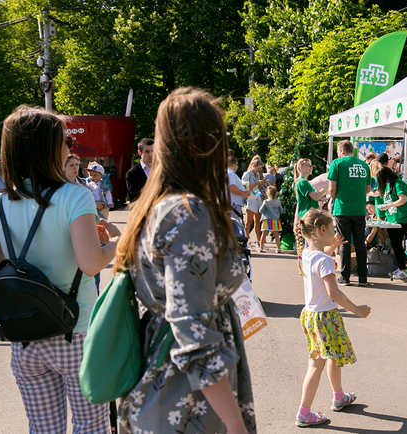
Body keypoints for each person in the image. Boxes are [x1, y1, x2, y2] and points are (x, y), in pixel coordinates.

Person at [113, 88, 256, 434]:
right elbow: (193, 333)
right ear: (207, 143)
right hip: (187, 400)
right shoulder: (188, 214)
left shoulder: (157, 204)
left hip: (161, 377)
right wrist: (235, 423)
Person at [0, 105, 120, 432]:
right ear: (47, 146)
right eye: (66, 140)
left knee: (43, 429)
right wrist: (120, 244)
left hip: (25, 337)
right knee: (92, 427)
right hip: (76, 330)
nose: (70, 147)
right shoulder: (75, 197)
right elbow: (90, 263)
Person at [294, 209, 371, 427]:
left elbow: (322, 255)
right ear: (322, 230)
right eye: (332, 229)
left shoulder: (307, 254)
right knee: (316, 365)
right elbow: (334, 293)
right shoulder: (324, 261)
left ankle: (339, 396)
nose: (335, 233)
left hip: (311, 315)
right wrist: (356, 309)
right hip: (325, 317)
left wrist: (333, 246)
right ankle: (304, 413)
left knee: (334, 357)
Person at [328, 140, 372, 286]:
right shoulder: (365, 165)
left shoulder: (337, 163)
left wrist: (335, 200)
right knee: (360, 242)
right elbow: (367, 189)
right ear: (351, 150)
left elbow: (331, 189)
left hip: (342, 208)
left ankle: (345, 277)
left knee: (344, 242)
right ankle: (363, 278)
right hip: (359, 209)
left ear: (341, 151)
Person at [377, 161, 407, 279]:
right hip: (393, 219)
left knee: (396, 244)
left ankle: (403, 269)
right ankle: (402, 267)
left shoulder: (398, 183)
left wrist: (389, 206)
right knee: (395, 244)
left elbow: (403, 199)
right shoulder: (388, 186)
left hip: (402, 218)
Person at [242, 155, 269, 247]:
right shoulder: (247, 174)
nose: (259, 170)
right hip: (250, 197)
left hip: (257, 195)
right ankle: (245, 241)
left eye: (261, 168)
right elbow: (246, 188)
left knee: (258, 220)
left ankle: (258, 242)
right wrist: (257, 183)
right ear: (253, 165)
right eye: (258, 168)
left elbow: (257, 188)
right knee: (249, 221)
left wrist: (261, 183)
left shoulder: (257, 174)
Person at [125, 137, 153, 202]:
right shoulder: (132, 173)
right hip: (142, 210)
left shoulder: (162, 170)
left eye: (152, 151)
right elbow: (133, 197)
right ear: (139, 153)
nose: (151, 154)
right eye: (147, 151)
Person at [259, 185, 283, 253]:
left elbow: (261, 210)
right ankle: (278, 248)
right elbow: (281, 210)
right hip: (275, 220)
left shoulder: (265, 202)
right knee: (276, 235)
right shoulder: (278, 202)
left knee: (264, 234)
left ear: (267, 193)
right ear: (276, 193)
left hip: (267, 219)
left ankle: (261, 247)